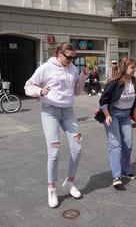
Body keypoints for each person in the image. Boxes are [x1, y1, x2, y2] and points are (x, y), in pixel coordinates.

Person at [24, 42, 88, 208]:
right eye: (69, 57)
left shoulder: (73, 68)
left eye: (74, 57)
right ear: (58, 53)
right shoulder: (46, 67)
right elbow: (28, 86)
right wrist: (39, 91)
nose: (72, 60)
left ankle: (71, 181)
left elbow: (76, 91)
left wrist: (82, 78)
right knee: (54, 151)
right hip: (50, 111)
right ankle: (51, 188)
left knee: (78, 148)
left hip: (68, 112)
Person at [99, 56, 136, 190]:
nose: (134, 70)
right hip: (112, 115)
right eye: (132, 67)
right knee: (116, 145)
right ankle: (116, 176)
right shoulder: (114, 82)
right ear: (124, 67)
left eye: (135, 67)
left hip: (125, 116)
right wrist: (107, 115)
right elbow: (103, 101)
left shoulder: (135, 83)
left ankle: (125, 170)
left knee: (128, 144)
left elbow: (135, 102)